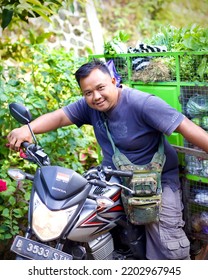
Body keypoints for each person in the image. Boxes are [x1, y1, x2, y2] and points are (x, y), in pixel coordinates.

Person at [7, 59, 208, 260]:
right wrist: (28, 129)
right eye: (88, 92)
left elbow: (186, 127)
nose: (96, 96)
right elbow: (60, 117)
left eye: (100, 87)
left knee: (167, 246)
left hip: (157, 182)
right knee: (78, 220)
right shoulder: (91, 106)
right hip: (114, 177)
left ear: (113, 81)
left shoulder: (142, 103)